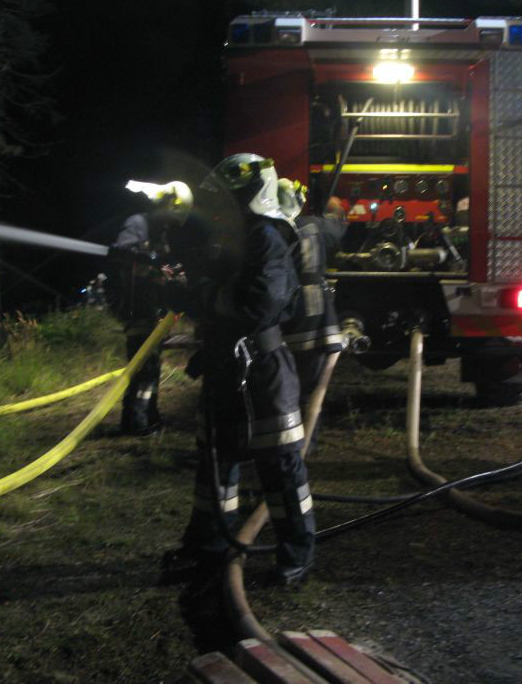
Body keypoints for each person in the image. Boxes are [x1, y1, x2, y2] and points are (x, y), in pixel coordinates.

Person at [174, 153, 315, 586]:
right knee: (216, 461)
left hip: (262, 369)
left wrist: (202, 295)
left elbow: (261, 304)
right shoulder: (235, 235)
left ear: (253, 194)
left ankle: (296, 555)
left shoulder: (267, 236)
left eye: (231, 196)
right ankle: (208, 545)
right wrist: (180, 288)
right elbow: (218, 290)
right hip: (226, 363)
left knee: (280, 465)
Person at [109, 180, 192, 436]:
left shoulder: (159, 232)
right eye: (171, 218)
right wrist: (150, 263)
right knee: (143, 368)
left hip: (154, 310)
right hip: (137, 309)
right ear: (166, 206)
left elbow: (164, 263)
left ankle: (148, 417)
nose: (170, 225)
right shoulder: (138, 223)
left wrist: (175, 272)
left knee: (152, 365)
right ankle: (137, 423)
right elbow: (120, 254)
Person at [277, 178, 348, 443]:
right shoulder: (314, 225)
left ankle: (292, 443)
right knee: (312, 387)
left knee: (287, 386)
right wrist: (335, 209)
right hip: (318, 318)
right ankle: (307, 440)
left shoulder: (269, 229)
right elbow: (338, 227)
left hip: (285, 316)